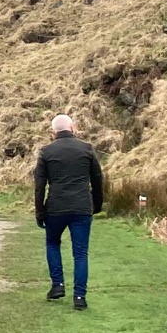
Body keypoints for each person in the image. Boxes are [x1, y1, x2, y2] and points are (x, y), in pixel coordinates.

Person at [34, 113, 104, 310]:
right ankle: (79, 297)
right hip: (82, 207)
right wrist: (96, 205)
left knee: (52, 243)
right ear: (72, 128)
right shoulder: (87, 149)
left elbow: (40, 185)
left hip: (55, 208)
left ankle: (58, 285)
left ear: (53, 132)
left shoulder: (46, 152)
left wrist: (40, 211)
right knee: (80, 253)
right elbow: (98, 180)